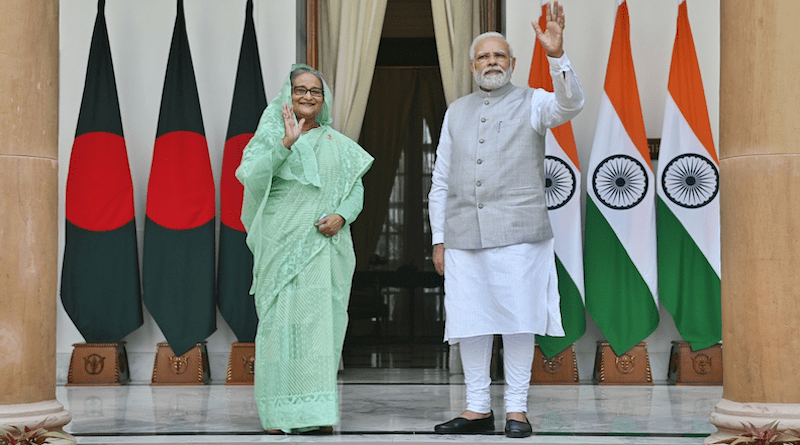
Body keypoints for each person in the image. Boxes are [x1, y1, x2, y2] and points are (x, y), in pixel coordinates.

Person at [428, 2, 584, 439]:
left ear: (512, 64)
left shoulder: (535, 101)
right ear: (472, 65)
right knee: (470, 320)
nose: (491, 62)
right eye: (483, 56)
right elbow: (440, 179)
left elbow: (571, 105)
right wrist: (439, 237)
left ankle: (517, 409)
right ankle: (477, 409)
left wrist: (557, 55)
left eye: (499, 56)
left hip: (520, 235)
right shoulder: (454, 111)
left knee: (519, 319)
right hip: (462, 235)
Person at [235, 64, 373, 434]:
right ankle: (280, 415)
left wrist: (343, 216)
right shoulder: (270, 136)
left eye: (315, 91)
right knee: (280, 330)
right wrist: (285, 144)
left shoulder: (337, 144)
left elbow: (354, 189)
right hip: (281, 247)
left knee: (320, 331)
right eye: (300, 89)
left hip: (324, 249)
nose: (308, 96)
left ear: (323, 99)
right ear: (287, 94)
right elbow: (249, 176)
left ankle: (316, 414)